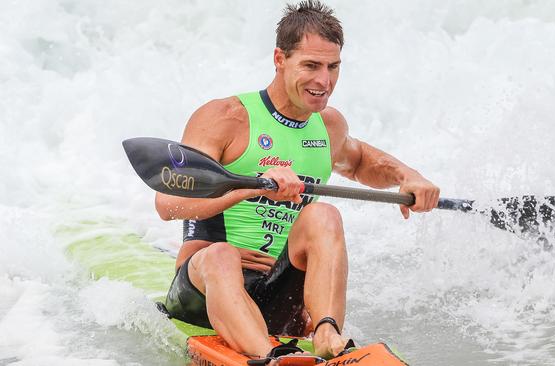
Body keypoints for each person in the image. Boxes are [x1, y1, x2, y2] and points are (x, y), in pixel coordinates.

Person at [155, 0, 440, 362]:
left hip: (278, 293)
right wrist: (252, 185)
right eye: (311, 65)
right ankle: (270, 356)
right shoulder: (225, 118)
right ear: (279, 59)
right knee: (221, 255)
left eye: (333, 67)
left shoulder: (327, 126)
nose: (324, 81)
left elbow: (361, 162)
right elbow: (168, 204)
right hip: (204, 290)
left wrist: (408, 176)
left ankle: (326, 335)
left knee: (325, 215)